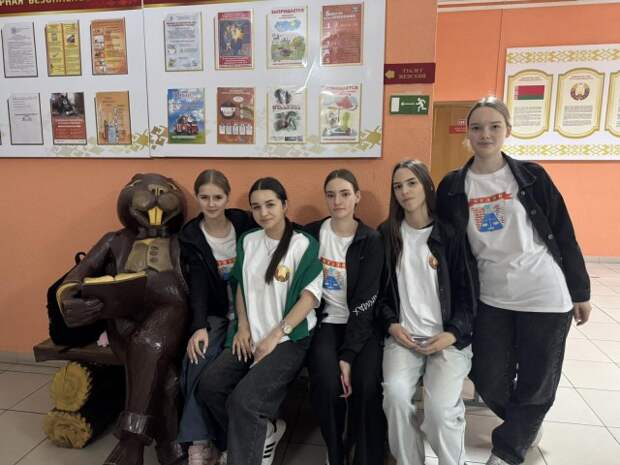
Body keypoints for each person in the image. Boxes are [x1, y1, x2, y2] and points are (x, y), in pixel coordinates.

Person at [436, 96, 591, 465]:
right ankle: (525, 422)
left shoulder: (532, 176)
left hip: (544, 292)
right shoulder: (453, 185)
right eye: (477, 127)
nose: (485, 134)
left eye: (494, 126)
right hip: (491, 296)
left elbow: (563, 232)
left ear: (507, 130)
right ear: (467, 133)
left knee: (538, 379)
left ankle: (508, 450)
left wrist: (580, 290)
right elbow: (447, 243)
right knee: (487, 375)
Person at [197, 177, 323, 465]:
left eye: (270, 205)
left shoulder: (303, 244)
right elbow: (240, 285)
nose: (264, 212)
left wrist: (274, 337)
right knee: (211, 386)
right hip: (250, 335)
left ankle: (246, 452)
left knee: (245, 402)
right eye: (256, 207)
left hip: (289, 339)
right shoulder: (249, 240)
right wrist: (242, 326)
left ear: (284, 205)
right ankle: (264, 431)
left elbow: (309, 298)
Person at [378, 160, 475, 465]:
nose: (405, 191)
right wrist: (392, 325)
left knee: (440, 412)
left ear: (426, 186)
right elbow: (379, 296)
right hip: (403, 339)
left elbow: (468, 294)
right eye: (398, 186)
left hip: (446, 339)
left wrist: (453, 333)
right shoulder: (387, 234)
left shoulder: (450, 234)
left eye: (412, 183)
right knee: (395, 398)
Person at [305, 169, 385, 465]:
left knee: (365, 383)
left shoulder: (371, 240)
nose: (337, 201)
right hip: (325, 323)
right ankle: (335, 450)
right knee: (328, 384)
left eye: (345, 194)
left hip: (362, 325)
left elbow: (366, 301)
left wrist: (348, 355)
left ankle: (360, 450)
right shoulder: (312, 234)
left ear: (357, 197)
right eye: (331, 195)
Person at [177, 169, 255, 465]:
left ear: (227, 197)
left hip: (250, 312)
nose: (211, 204)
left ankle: (227, 440)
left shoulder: (243, 222)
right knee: (197, 357)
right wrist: (198, 327)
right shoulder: (192, 235)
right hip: (215, 313)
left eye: (218, 197)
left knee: (222, 373)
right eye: (205, 197)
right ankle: (199, 442)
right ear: (197, 198)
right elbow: (197, 284)